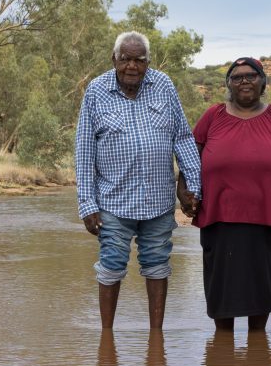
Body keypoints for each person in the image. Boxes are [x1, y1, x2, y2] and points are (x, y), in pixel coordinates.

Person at [75, 31, 201, 330]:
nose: (132, 66)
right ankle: (107, 339)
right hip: (113, 201)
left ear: (148, 62)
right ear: (114, 59)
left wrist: (193, 186)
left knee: (158, 264)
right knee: (111, 265)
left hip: (158, 200)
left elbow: (183, 138)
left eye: (139, 60)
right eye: (125, 59)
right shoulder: (96, 91)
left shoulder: (164, 85)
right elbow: (84, 149)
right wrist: (87, 204)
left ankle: (156, 338)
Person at [192, 57, 271, 332]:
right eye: (237, 77)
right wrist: (184, 190)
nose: (244, 81)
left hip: (266, 219)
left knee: (261, 296)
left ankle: (257, 353)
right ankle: (222, 351)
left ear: (263, 82)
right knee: (222, 296)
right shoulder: (213, 116)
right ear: (229, 84)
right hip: (219, 218)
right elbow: (191, 156)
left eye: (251, 75)